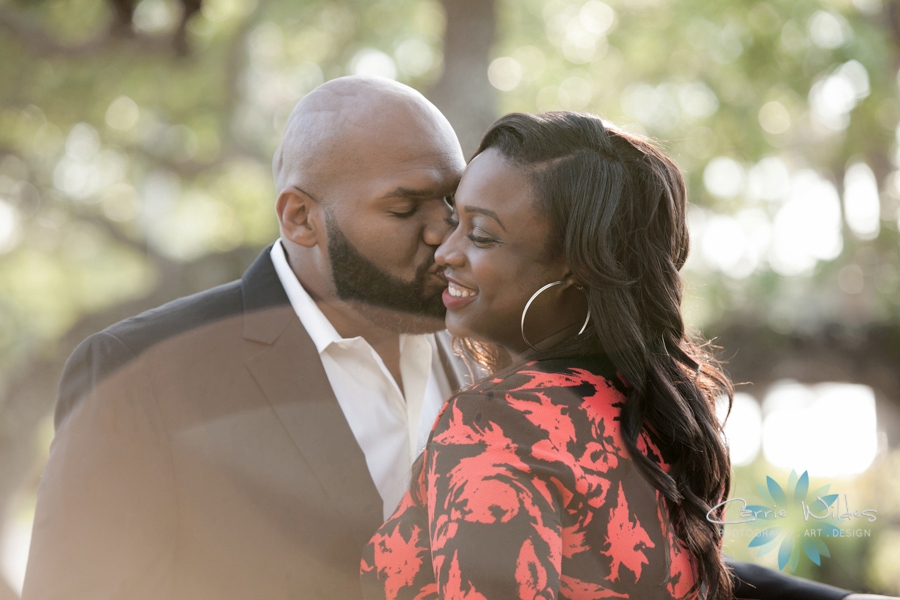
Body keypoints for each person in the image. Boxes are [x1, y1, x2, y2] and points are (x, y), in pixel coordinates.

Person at [23, 76, 870, 600]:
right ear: (301, 218)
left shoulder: (491, 352)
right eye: (407, 209)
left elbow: (613, 555)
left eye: (458, 207)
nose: (444, 237)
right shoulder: (142, 373)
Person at [359, 112, 880, 600]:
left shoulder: (492, 426)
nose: (446, 251)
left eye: (481, 235)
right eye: (455, 220)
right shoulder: (656, 412)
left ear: (576, 270)